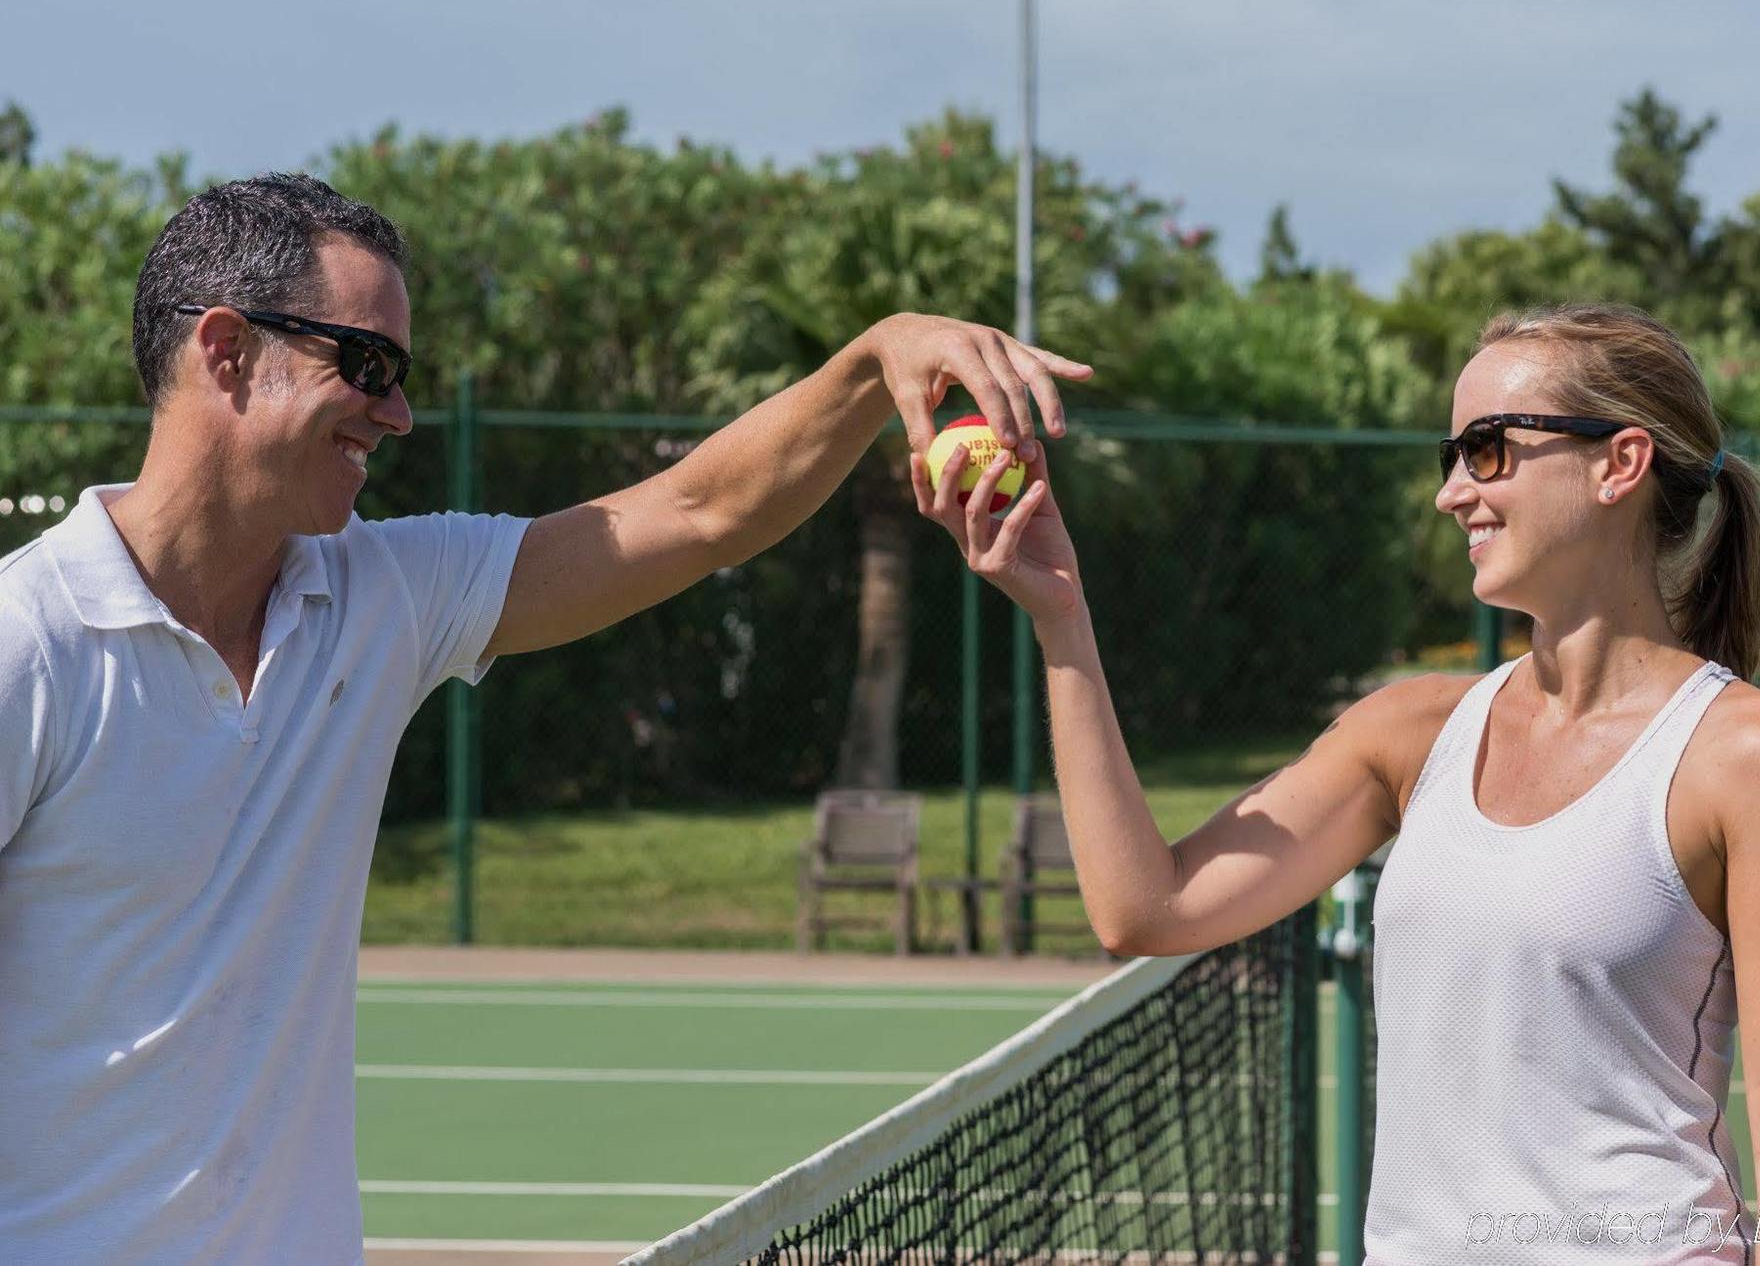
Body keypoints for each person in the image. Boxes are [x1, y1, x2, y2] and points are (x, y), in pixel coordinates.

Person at [0, 173, 1088, 1261]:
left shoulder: (382, 597)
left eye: (401, 373)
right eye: (366, 364)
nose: (398, 411)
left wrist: (870, 362)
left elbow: (697, 511)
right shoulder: (25, 646)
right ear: (227, 351)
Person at [917, 303, 1760, 1263]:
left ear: (1619, 464)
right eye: (1450, 456)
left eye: (1488, 449)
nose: (1454, 493)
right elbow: (1145, 908)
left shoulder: (1751, 757)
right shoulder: (1409, 733)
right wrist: (1061, 619)